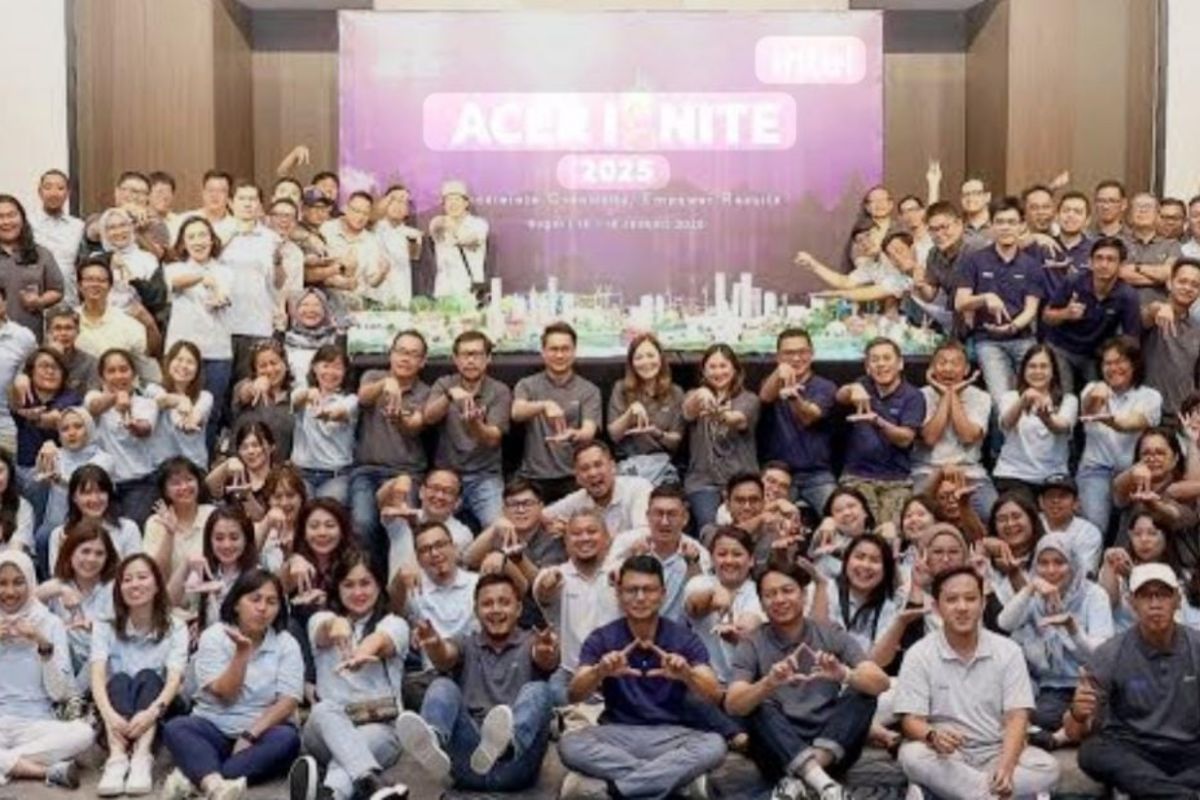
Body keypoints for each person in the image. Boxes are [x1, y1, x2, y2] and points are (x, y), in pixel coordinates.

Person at [558, 555, 726, 800]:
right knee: (570, 744)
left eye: (648, 590)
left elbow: (714, 694)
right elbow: (574, 694)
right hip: (617, 734)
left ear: (663, 594)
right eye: (631, 590)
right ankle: (674, 784)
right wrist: (599, 672)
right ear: (619, 593)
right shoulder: (602, 638)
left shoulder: (684, 638)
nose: (640, 597)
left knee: (714, 745)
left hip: (670, 736)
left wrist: (687, 674)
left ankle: (616, 789)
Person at [723, 560, 890, 800]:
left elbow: (881, 682)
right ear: (761, 603)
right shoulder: (752, 642)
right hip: (776, 749)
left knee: (862, 692)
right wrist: (768, 683)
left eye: (787, 590)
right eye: (770, 594)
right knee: (756, 702)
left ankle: (807, 774)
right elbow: (733, 704)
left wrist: (844, 674)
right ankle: (826, 786)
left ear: (803, 595)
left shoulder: (829, 632)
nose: (780, 599)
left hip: (832, 747)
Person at [894, 566, 1060, 799]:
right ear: (937, 607)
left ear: (982, 604)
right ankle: (994, 794)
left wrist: (1006, 767)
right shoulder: (919, 654)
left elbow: (1017, 717)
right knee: (912, 756)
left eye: (971, 599)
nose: (962, 607)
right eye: (952, 600)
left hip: (996, 750)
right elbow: (911, 720)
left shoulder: (1008, 650)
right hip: (948, 755)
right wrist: (932, 735)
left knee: (1047, 768)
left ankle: (949, 793)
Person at [396, 573, 557, 792]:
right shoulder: (465, 643)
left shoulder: (534, 642)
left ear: (519, 609)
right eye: (487, 604)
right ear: (476, 611)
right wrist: (434, 644)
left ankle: (507, 745)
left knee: (540, 690)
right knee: (442, 684)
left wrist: (547, 653)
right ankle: (433, 739)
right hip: (470, 763)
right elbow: (446, 656)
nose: (496, 609)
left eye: (504, 602)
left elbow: (546, 659)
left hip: (516, 765)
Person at [161, 569, 302, 800]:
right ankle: (216, 785)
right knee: (177, 728)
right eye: (255, 599)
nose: (262, 608)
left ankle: (201, 775)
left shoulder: (287, 643)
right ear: (236, 603)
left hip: (261, 732)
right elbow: (226, 693)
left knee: (287, 740)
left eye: (271, 602)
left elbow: (288, 701)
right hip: (213, 727)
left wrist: (250, 735)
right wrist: (241, 654)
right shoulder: (214, 636)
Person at [1068, 564, 1200, 797]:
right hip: (1135, 748)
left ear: (1178, 600)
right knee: (1091, 752)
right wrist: (1077, 713)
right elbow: (1074, 732)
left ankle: (1158, 792)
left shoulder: (1196, 645)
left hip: (1189, 748)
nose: (1155, 604)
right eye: (1146, 596)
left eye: (1163, 595)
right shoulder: (1110, 653)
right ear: (1131, 603)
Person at [288, 551, 411, 800]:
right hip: (323, 730)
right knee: (323, 709)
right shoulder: (320, 618)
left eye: (365, 583)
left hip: (379, 729)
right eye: (349, 585)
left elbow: (381, 641)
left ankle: (334, 793)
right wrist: (337, 626)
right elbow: (325, 631)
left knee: (352, 751)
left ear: (379, 585)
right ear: (337, 588)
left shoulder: (394, 623)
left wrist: (362, 653)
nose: (358, 592)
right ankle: (373, 783)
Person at [996, 533, 1113, 752]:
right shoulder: (1035, 597)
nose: (1051, 570)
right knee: (1038, 714)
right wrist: (1029, 588)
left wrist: (1072, 629)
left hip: (1090, 684)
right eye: (1043, 563)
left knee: (1102, 717)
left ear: (1073, 563)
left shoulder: (1094, 595)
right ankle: (1060, 734)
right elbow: (1004, 623)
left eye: (1059, 562)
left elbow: (1100, 654)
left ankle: (1058, 737)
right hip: (1053, 687)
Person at [90, 553, 188, 796]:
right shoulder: (104, 625)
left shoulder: (176, 626)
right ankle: (117, 758)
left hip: (158, 710)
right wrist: (110, 716)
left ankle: (142, 757)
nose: (135, 584)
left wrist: (151, 713)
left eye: (142, 577)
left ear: (157, 585)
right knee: (120, 679)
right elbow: (97, 676)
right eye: (127, 579)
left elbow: (174, 680)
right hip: (115, 712)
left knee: (148, 676)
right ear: (119, 588)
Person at [0, 549, 93, 789]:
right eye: (2, 583)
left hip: (36, 722)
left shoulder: (50, 624)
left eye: (18, 582)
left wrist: (42, 644)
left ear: (31, 583)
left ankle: (7, 762)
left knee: (83, 734)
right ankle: (47, 771)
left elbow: (59, 692)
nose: (9, 592)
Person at [955, 197, 1044, 407]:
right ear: (992, 225)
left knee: (1035, 397)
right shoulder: (974, 259)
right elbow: (960, 302)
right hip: (988, 340)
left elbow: (1031, 309)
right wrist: (985, 298)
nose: (1005, 227)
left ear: (1022, 225)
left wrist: (1012, 327)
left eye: (1012, 222)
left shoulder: (1031, 265)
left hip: (1023, 338)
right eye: (1000, 222)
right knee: (1001, 401)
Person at [351, 329, 429, 558]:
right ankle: (369, 576)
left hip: (406, 473)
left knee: (402, 526)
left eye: (413, 354)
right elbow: (363, 397)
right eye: (401, 351)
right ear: (391, 354)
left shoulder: (426, 392)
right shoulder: (372, 376)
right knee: (362, 523)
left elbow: (416, 424)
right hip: (366, 471)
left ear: (423, 361)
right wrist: (386, 383)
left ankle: (402, 578)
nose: (405, 358)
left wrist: (399, 420)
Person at [424, 330, 511, 529]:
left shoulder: (499, 390)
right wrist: (449, 396)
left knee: (498, 528)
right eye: (465, 355)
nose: (471, 361)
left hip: (484, 475)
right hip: (446, 474)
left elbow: (493, 438)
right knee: (429, 530)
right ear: (456, 359)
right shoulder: (444, 384)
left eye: (477, 355)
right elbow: (428, 417)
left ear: (488, 358)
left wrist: (475, 424)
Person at [1076, 336, 1162, 536]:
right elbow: (1088, 411)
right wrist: (1095, 397)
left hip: (1133, 472)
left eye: (1120, 361)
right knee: (1095, 528)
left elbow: (1130, 424)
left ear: (1134, 364)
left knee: (1136, 529)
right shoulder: (1092, 389)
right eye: (1107, 363)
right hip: (1095, 470)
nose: (1113, 368)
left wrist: (1109, 419)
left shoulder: (1150, 396)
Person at [532, 509, 619, 704]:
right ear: (566, 541)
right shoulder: (555, 575)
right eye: (576, 533)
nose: (584, 538)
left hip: (619, 675)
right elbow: (544, 591)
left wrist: (626, 582)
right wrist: (548, 584)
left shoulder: (621, 573)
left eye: (591, 531)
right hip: (571, 675)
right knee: (546, 692)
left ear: (607, 538)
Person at [835, 337, 925, 525]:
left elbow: (905, 439)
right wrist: (853, 387)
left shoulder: (913, 396)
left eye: (886, 358)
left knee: (889, 531)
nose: (881, 364)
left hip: (896, 481)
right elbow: (839, 397)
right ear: (867, 367)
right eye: (874, 360)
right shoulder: (863, 385)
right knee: (858, 526)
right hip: (856, 477)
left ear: (900, 363)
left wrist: (877, 421)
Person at [164, 216, 234, 449]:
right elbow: (176, 283)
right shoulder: (173, 269)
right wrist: (202, 276)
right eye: (191, 236)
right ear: (183, 243)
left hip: (217, 352)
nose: (198, 241)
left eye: (203, 235)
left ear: (212, 240)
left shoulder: (226, 271)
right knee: (177, 409)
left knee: (210, 413)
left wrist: (218, 295)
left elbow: (223, 298)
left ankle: (205, 461)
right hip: (181, 354)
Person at [512, 322, 602, 502]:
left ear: (574, 351)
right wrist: (544, 405)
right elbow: (517, 412)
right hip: (533, 476)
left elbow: (589, 431)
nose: (559, 355)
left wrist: (573, 434)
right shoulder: (527, 385)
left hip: (574, 476)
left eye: (565, 349)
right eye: (553, 349)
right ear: (543, 352)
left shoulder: (589, 390)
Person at [1041, 236, 1141, 394]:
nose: (1104, 264)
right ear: (1090, 262)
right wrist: (1065, 313)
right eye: (1099, 258)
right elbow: (1046, 316)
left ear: (1121, 265)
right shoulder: (1073, 281)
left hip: (1095, 355)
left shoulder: (1127, 296)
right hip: (1061, 348)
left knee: (1099, 396)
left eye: (1110, 260)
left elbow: (1132, 339)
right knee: (1065, 397)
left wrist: (1116, 363)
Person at [759, 328, 839, 513]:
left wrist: (794, 397)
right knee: (765, 518)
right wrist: (779, 373)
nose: (796, 358)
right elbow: (765, 396)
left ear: (812, 354)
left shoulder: (825, 386)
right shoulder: (772, 382)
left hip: (817, 474)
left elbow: (809, 416)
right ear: (778, 356)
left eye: (802, 352)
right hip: (779, 474)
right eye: (789, 353)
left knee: (839, 513)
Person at [605, 483, 711, 623]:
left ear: (685, 518)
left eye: (672, 514)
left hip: (677, 631)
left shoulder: (697, 552)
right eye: (658, 513)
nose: (664, 522)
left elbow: (700, 606)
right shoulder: (626, 542)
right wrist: (631, 559)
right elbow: (608, 586)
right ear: (647, 516)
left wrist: (693, 564)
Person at [682, 343, 761, 529]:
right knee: (709, 527)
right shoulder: (693, 394)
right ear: (704, 371)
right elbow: (688, 412)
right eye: (712, 367)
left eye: (723, 366)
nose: (718, 372)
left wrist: (718, 414)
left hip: (741, 480)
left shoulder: (749, 399)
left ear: (735, 369)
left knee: (744, 527)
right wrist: (701, 394)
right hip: (703, 482)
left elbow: (738, 419)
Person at [914, 338, 994, 516]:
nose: (948, 368)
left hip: (970, 473)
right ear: (932, 368)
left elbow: (967, 436)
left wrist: (952, 395)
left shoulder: (981, 397)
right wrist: (946, 395)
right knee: (916, 514)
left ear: (966, 369)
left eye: (955, 363)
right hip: (927, 471)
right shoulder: (919, 396)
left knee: (991, 514)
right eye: (942, 363)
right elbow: (930, 438)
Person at [40, 519, 118, 691]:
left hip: (101, 665)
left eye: (99, 554)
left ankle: (73, 697)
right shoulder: (57, 586)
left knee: (103, 650)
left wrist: (96, 628)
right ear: (70, 553)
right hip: (65, 661)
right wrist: (61, 589)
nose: (91, 559)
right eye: (85, 551)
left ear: (107, 558)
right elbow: (25, 603)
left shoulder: (115, 587)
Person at [85, 348, 160, 525]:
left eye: (124, 369)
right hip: (105, 483)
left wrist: (132, 423)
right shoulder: (94, 396)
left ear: (134, 374)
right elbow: (94, 407)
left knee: (131, 526)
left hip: (140, 482)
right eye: (111, 371)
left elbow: (145, 429)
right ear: (102, 377)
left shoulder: (147, 403)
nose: (118, 376)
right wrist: (115, 398)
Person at [993, 344, 1078, 499]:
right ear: (1024, 370)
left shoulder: (1068, 400)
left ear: (1053, 371)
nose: (1038, 371)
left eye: (1044, 366)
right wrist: (1023, 400)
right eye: (1032, 366)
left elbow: (1062, 426)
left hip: (1053, 478)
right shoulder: (1010, 397)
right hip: (1013, 475)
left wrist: (1046, 418)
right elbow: (1006, 423)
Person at [683, 526, 765, 687]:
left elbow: (751, 622)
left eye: (737, 554)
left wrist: (738, 633)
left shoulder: (760, 590)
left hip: (747, 684)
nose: (729, 560)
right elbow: (694, 606)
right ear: (712, 559)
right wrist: (712, 598)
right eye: (722, 554)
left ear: (751, 560)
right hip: (704, 682)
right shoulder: (699, 582)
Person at [10, 346, 80, 520]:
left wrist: (35, 418)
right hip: (21, 468)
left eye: (56, 367)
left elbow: (55, 418)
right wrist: (19, 380)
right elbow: (14, 401)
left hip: (56, 471)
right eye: (44, 366)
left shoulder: (71, 397)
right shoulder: (23, 392)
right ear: (31, 372)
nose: (50, 372)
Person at [222, 182, 282, 380]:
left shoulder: (272, 238)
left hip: (258, 324)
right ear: (230, 202)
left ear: (260, 205)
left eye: (253, 199)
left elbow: (278, 283)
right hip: (221, 325)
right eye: (242, 198)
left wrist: (279, 262)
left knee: (252, 386)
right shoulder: (215, 233)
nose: (247, 204)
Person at [607, 333, 685, 486]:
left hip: (662, 465)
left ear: (660, 359)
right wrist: (630, 413)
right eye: (639, 357)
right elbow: (613, 435)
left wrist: (656, 432)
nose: (645, 362)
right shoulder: (621, 388)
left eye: (650, 355)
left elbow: (676, 440)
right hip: (628, 465)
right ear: (631, 363)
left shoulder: (675, 392)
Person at [75, 255, 159, 384]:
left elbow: (145, 361)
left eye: (101, 280)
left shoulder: (128, 323)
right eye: (89, 279)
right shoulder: (68, 322)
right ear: (79, 285)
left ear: (110, 286)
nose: (95, 284)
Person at [291, 344, 359, 505]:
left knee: (326, 512)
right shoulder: (302, 392)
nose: (330, 372)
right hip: (302, 473)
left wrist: (326, 414)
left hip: (336, 475)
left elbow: (340, 413)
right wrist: (308, 394)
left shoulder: (351, 400)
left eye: (337, 367)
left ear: (345, 372)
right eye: (325, 366)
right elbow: (296, 400)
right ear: (315, 367)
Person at [377, 469, 474, 580]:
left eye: (448, 491)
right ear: (421, 492)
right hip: (397, 589)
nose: (439, 496)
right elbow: (382, 500)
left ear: (457, 502)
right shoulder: (403, 516)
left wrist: (413, 526)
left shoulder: (462, 534)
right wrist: (398, 481)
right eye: (434, 488)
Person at [545, 441, 652, 536]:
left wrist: (603, 540)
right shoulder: (578, 499)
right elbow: (543, 516)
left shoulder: (638, 488)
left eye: (598, 465)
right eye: (585, 468)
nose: (592, 473)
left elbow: (644, 533)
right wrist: (560, 526)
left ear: (613, 467)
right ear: (577, 477)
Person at [1141, 258, 1200, 425]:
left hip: (1183, 417)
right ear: (1169, 283)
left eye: (1195, 285)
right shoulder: (1154, 316)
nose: (1187, 288)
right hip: (1148, 413)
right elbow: (1146, 315)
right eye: (1182, 281)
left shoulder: (1197, 329)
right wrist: (1160, 307)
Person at [0, 193, 65, 341]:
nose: (6, 221)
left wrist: (39, 301)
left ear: (22, 218)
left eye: (11, 215)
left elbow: (57, 290)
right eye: (0, 217)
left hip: (30, 336)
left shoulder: (41, 253)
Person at [143, 457, 217, 583]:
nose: (184, 487)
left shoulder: (212, 514)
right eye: (176, 483)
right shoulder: (155, 522)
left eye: (189, 480)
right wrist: (169, 534)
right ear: (165, 491)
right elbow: (156, 575)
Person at [320, 191, 385, 327]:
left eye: (365, 213)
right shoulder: (326, 230)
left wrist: (382, 273)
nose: (360, 217)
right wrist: (338, 281)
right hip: (325, 304)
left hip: (356, 308)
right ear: (346, 209)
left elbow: (372, 281)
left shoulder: (371, 241)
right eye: (356, 211)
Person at [148, 341, 212, 468]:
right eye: (179, 359)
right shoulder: (153, 389)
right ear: (168, 363)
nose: (183, 366)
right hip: (161, 467)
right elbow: (162, 400)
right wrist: (179, 401)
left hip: (194, 466)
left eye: (190, 362)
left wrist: (190, 421)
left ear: (198, 369)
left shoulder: (205, 396)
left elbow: (198, 414)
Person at [231, 339, 295, 460]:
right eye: (263, 366)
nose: (269, 370)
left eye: (274, 363)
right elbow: (244, 393)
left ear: (285, 365)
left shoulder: (294, 396)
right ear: (255, 370)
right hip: (243, 464)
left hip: (279, 466)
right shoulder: (242, 386)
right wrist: (255, 387)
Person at [29, 169, 84, 306]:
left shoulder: (78, 226)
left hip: (69, 302)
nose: (54, 193)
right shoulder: (26, 224)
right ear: (40, 192)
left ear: (68, 193)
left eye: (60, 188)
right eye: (48, 187)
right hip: (35, 303)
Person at [429, 180, 489, 299]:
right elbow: (433, 227)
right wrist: (445, 223)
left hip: (470, 292)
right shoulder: (439, 224)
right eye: (448, 200)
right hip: (444, 292)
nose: (453, 203)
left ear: (466, 203)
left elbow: (469, 240)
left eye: (457, 199)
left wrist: (452, 228)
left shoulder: (479, 224)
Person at [97, 207, 161, 315]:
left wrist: (130, 276)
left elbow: (155, 296)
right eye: (112, 228)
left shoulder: (147, 259)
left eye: (123, 225)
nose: (119, 231)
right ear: (104, 233)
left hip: (138, 319)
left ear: (131, 228)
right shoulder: (96, 259)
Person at [1120, 192, 1183, 303]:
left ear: (1158, 215)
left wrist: (1137, 268)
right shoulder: (1118, 243)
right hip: (1123, 309)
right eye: (1138, 206)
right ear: (1130, 214)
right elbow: (1120, 274)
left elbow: (1168, 273)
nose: (1142, 210)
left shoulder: (1172, 245)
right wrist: (1159, 279)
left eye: (1148, 206)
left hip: (1160, 310)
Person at [1037, 475, 1104, 576]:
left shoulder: (1089, 532)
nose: (1055, 501)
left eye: (1062, 496)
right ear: (1041, 502)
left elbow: (1084, 573)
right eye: (1050, 496)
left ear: (1076, 503)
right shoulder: (1030, 523)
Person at [0, 285, 37, 455]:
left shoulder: (23, 337)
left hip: (6, 428)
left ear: (4, 302)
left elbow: (36, 373)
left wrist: (24, 376)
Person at [372, 184, 421, 308]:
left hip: (403, 297)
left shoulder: (413, 234)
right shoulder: (374, 227)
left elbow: (414, 261)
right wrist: (390, 197)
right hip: (376, 296)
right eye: (394, 200)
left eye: (403, 202)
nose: (398, 206)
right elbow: (372, 216)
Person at [45, 307, 98, 396]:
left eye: (68, 328)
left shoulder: (90, 363)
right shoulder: (35, 361)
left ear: (77, 331)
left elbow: (93, 397)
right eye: (57, 328)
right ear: (48, 333)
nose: (63, 333)